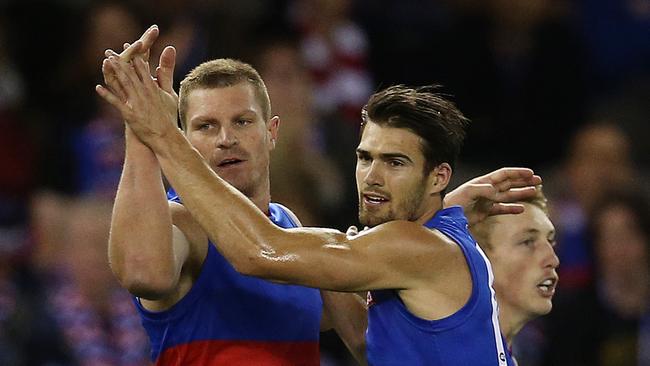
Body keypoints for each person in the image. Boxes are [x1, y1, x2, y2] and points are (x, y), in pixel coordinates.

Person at [97, 28, 542, 364]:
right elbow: (144, 273)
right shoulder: (181, 224)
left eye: (243, 122)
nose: (226, 139)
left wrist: (159, 133)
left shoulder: (291, 232)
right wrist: (143, 136)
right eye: (205, 127)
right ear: (186, 138)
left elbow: (266, 254)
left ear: (272, 133)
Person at [469, 186, 559, 364]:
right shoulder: (433, 349)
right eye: (527, 242)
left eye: (550, 241)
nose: (553, 259)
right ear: (478, 257)